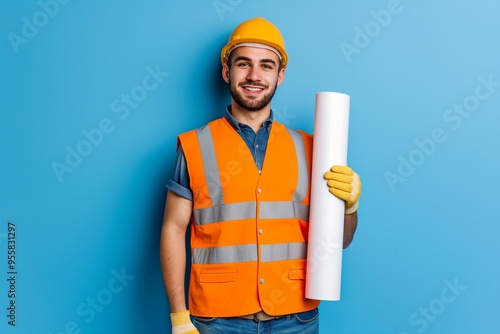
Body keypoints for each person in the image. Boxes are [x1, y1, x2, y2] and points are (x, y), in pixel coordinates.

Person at [160, 17, 361, 334]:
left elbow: (340, 242)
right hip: (216, 322)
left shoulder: (314, 149)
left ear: (280, 76)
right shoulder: (194, 146)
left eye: (267, 66)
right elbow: (173, 229)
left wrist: (349, 208)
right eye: (244, 64)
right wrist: (178, 317)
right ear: (227, 71)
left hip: (296, 321)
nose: (254, 75)